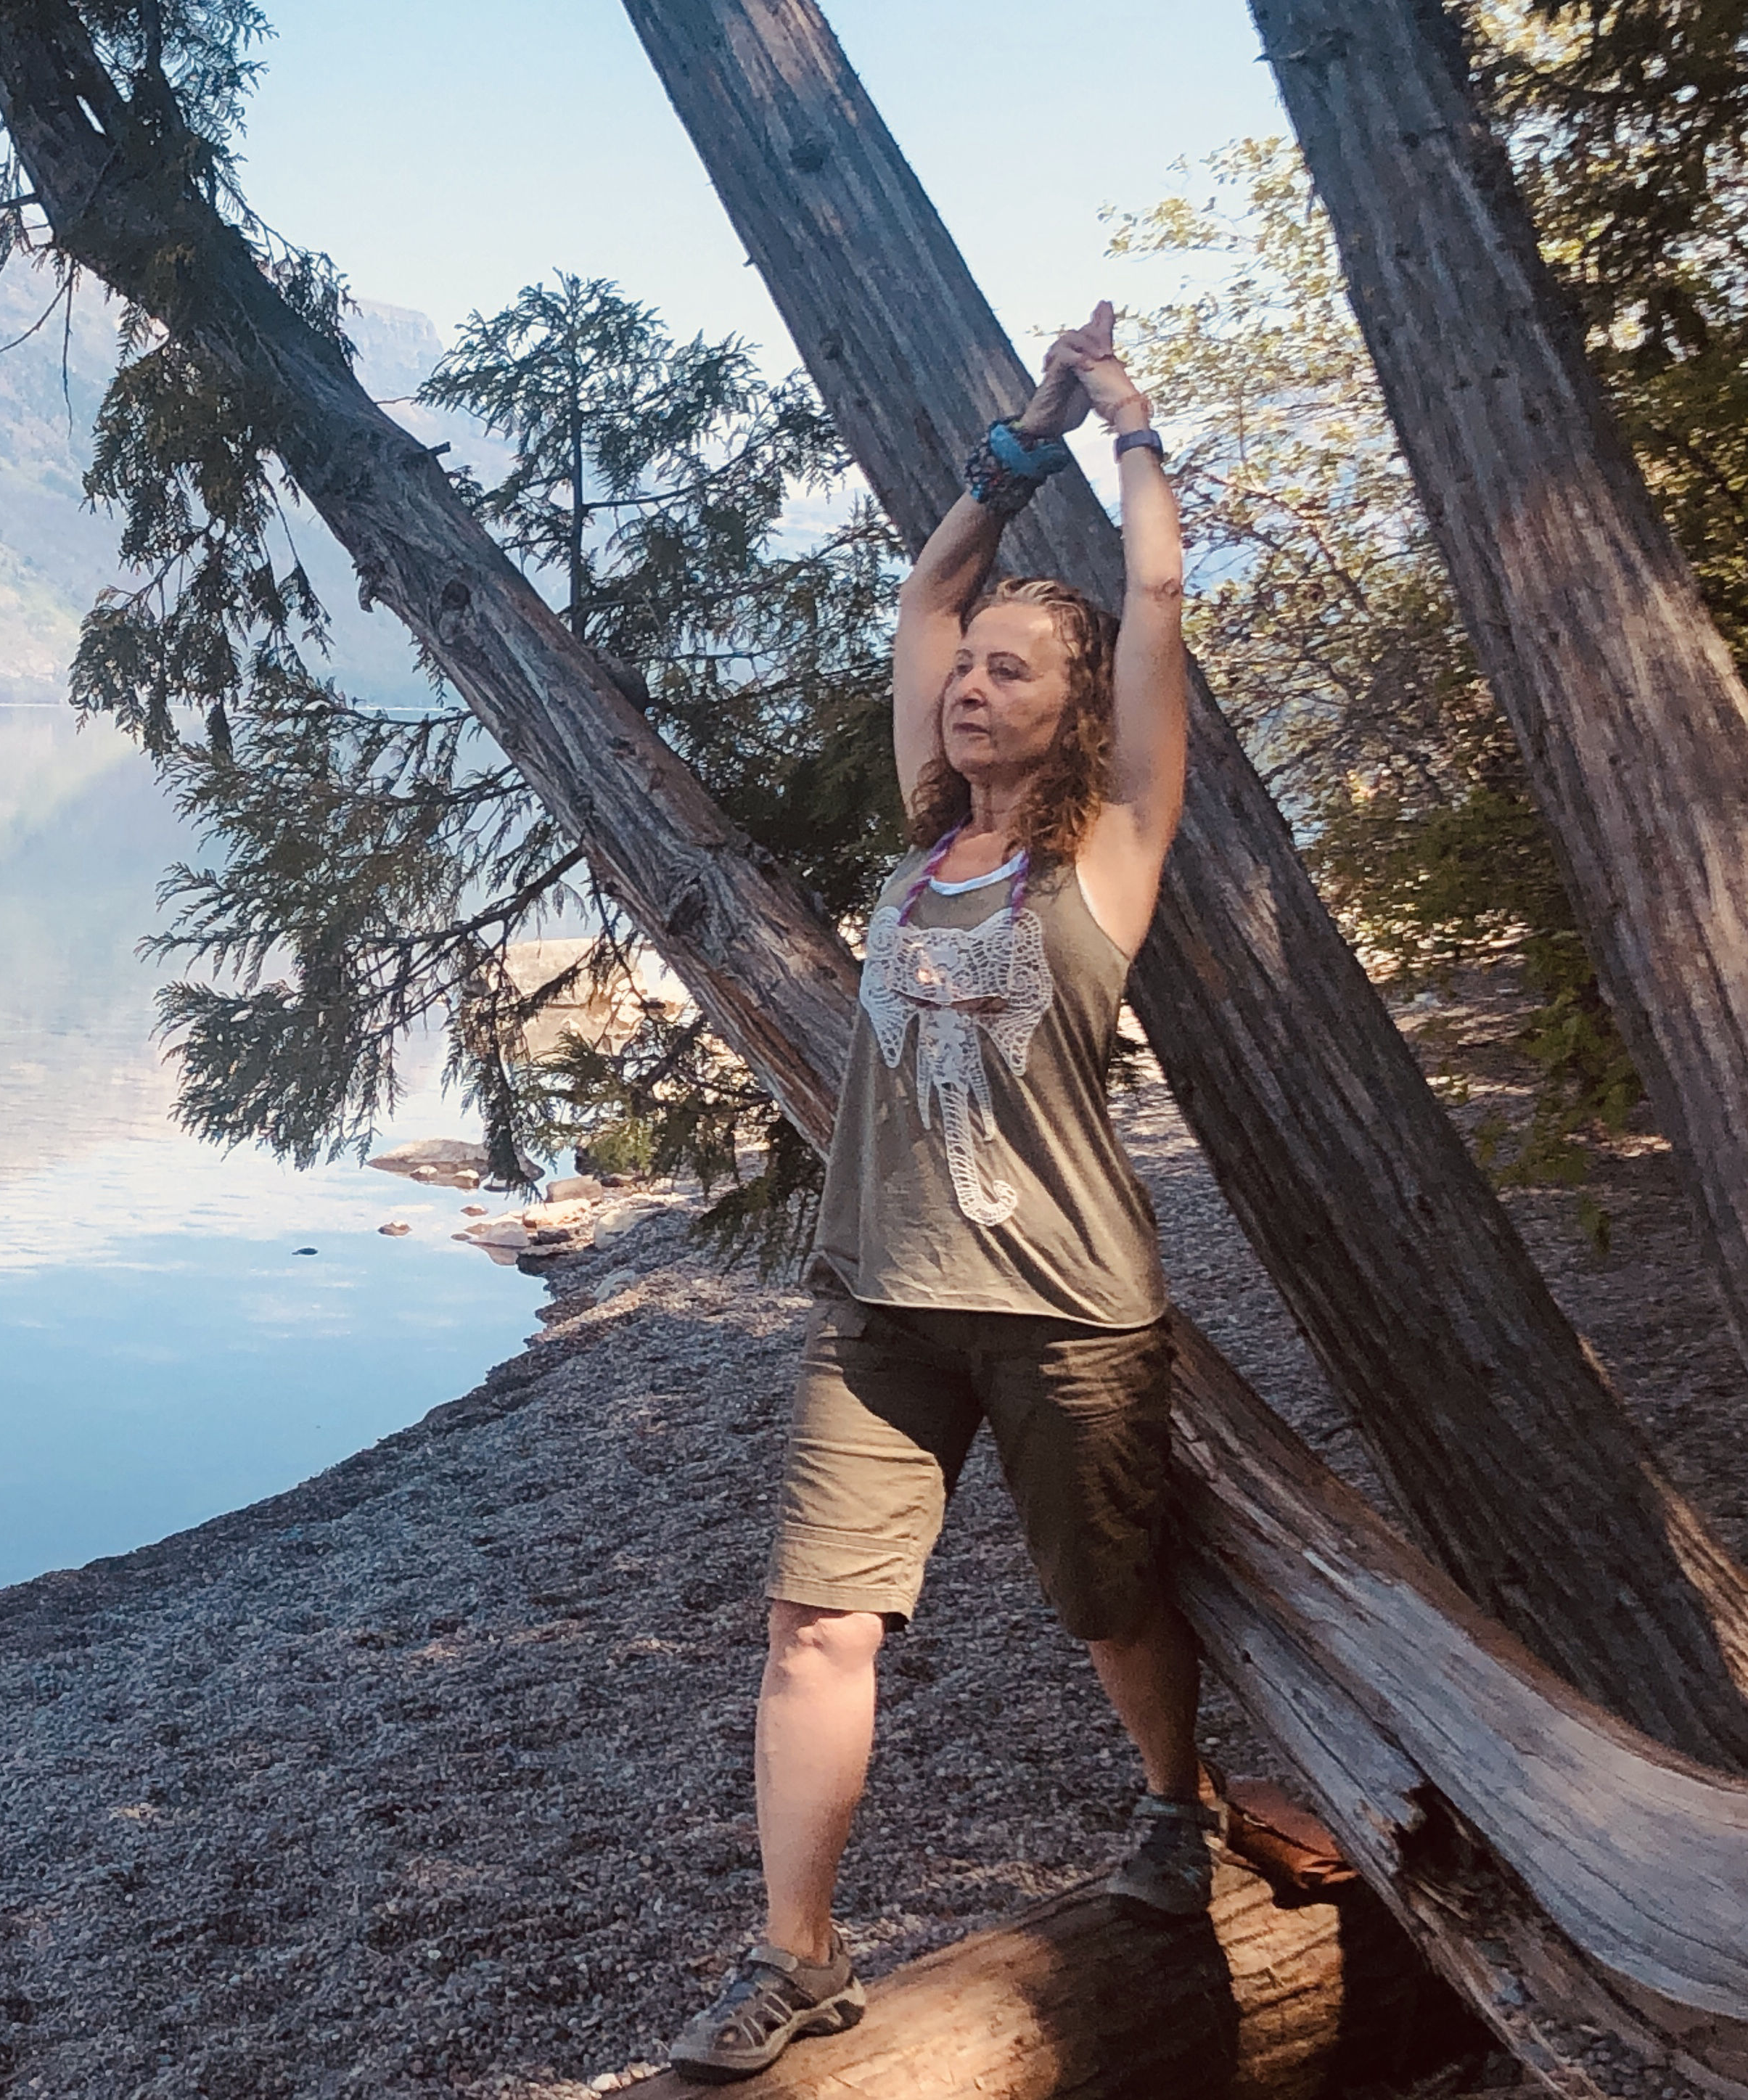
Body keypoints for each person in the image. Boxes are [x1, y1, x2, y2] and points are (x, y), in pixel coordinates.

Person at [669, 304, 1204, 2084]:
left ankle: (1168, 1808)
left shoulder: (1106, 854)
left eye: (1008, 675)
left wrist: (1132, 434)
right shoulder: (925, 832)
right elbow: (921, 591)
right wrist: (1025, 431)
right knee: (815, 1623)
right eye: (967, 670)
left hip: (1065, 1313)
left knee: (1105, 1595)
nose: (969, 681)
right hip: (885, 1302)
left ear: (1068, 724)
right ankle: (795, 1955)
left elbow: (1158, 626)